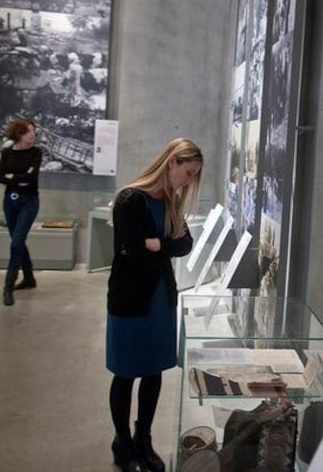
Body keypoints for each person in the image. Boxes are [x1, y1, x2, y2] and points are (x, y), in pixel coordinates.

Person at [106, 138, 203, 472]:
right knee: (126, 371)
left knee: (153, 370)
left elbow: (186, 245)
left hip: (161, 298)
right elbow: (132, 253)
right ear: (172, 162)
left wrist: (157, 244)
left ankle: (143, 438)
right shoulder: (131, 199)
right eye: (187, 173)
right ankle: (122, 442)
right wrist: (165, 247)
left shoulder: (171, 202)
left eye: (193, 176)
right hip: (130, 298)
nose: (188, 181)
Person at [0, 117, 42, 307]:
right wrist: (18, 178)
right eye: (30, 131)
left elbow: (31, 178)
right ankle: (29, 278)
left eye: (33, 131)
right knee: (18, 240)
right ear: (19, 134)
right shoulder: (7, 152)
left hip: (29, 201)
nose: (33, 134)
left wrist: (11, 177)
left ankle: (8, 286)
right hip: (10, 201)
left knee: (15, 244)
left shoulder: (36, 153)